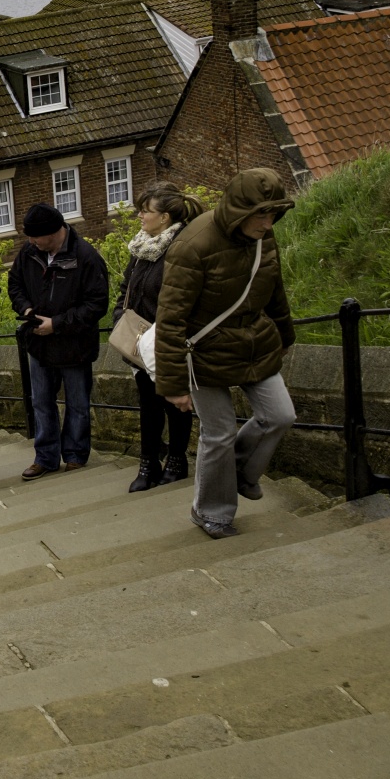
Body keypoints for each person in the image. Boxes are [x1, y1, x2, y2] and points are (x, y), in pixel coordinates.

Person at [154, 168, 297, 540]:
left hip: (253, 342)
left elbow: (273, 287)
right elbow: (170, 320)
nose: (267, 223)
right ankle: (212, 513)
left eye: (273, 214)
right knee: (218, 434)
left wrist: (284, 334)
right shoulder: (193, 245)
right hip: (200, 352)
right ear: (238, 209)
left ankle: (235, 474)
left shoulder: (264, 236)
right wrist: (173, 384)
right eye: (260, 214)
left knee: (280, 414)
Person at [7, 203, 109, 480]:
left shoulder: (86, 256)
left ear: (53, 233)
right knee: (41, 402)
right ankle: (46, 457)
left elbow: (97, 304)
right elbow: (14, 284)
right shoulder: (29, 253)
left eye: (34, 237)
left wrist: (58, 324)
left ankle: (75, 455)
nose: (29, 242)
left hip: (74, 345)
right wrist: (26, 310)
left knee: (77, 404)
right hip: (39, 343)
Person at [112, 184, 201, 491]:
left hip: (167, 340)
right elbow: (126, 290)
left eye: (145, 211)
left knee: (174, 403)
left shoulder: (180, 248)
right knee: (148, 407)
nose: (139, 215)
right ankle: (147, 464)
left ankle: (177, 460)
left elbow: (185, 296)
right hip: (138, 342)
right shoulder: (141, 248)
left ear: (164, 217)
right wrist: (119, 317)